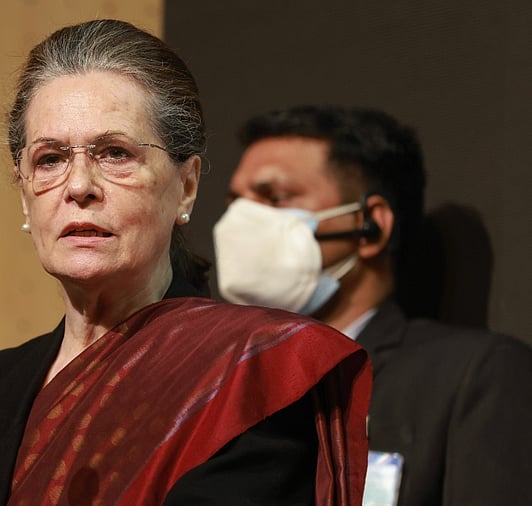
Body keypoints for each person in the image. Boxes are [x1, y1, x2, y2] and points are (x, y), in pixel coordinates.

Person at [0, 21, 371, 506]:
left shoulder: (249, 375)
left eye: (115, 153)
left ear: (187, 186)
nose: (78, 187)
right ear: (25, 194)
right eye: (49, 159)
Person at [213, 104, 532, 506]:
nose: (241, 223)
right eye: (236, 202)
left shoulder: (473, 375)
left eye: (275, 198)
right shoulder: (218, 386)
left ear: (370, 227)